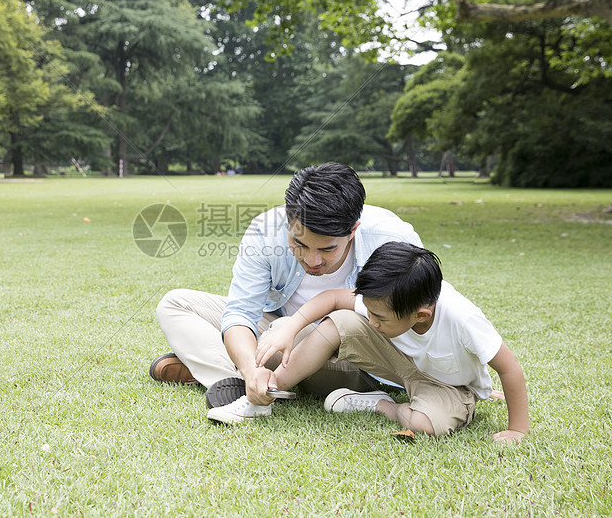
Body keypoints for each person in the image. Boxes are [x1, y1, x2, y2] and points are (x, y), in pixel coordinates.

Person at [150, 162, 423, 408]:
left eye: (327, 249)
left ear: (352, 231)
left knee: (281, 331)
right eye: (300, 244)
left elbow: (417, 316)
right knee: (175, 304)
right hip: (280, 332)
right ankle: (236, 380)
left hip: (354, 356)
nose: (312, 260)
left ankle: (211, 368)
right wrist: (249, 369)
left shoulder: (392, 238)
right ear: (289, 221)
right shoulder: (265, 231)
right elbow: (241, 314)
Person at [207, 242, 530, 444]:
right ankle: (266, 394)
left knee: (426, 425)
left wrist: (517, 429)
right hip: (398, 361)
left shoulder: (463, 319)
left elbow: (510, 369)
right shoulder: (389, 298)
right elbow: (332, 298)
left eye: (380, 318)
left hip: (447, 385)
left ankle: (379, 404)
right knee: (340, 321)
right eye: (370, 312)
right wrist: (291, 326)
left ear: (420, 315)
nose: (371, 320)